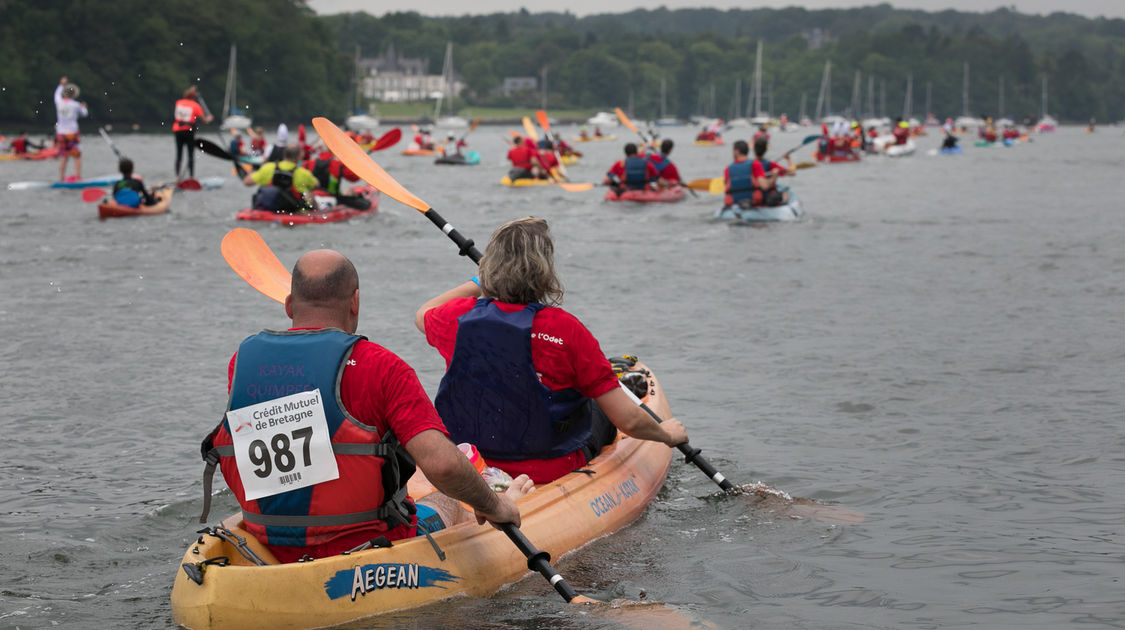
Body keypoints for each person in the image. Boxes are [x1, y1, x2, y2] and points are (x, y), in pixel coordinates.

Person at [199, 250, 526, 563]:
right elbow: (443, 466)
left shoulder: (242, 363)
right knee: (450, 497)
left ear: (288, 305)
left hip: (272, 543)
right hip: (367, 546)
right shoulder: (383, 366)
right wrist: (495, 505)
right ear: (354, 302)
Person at [414, 217, 688, 484]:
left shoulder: (457, 317)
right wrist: (665, 434)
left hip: (471, 463)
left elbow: (423, 313)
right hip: (548, 470)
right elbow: (628, 420)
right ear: (544, 270)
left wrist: (479, 282)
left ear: (490, 267)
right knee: (597, 405)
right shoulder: (567, 329)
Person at [243, 144, 319, 213]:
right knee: (310, 193)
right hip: (294, 211)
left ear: (284, 155)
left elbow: (246, 182)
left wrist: (251, 170)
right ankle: (317, 211)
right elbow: (317, 185)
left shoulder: (268, 167)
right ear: (299, 157)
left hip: (269, 210)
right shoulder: (304, 173)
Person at [724, 138, 791, 209]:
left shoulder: (728, 169)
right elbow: (765, 186)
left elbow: (727, 187)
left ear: (736, 151)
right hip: (754, 204)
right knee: (784, 192)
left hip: (735, 204)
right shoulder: (755, 164)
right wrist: (774, 176)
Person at [302, 149, 369, 209]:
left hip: (312, 196)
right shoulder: (338, 165)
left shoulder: (307, 164)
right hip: (332, 198)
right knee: (350, 190)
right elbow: (355, 178)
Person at [172, 85, 214, 180]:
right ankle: (191, 177)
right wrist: (210, 118)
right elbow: (204, 120)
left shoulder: (178, 103)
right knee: (190, 154)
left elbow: (187, 94)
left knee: (179, 155)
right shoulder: (195, 105)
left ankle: (177, 176)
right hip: (188, 131)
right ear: (194, 97)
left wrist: (191, 91)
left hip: (177, 131)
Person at [54, 77, 88, 182]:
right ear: (74, 95)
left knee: (64, 156)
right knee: (77, 155)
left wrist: (61, 84)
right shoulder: (76, 105)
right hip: (72, 133)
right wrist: (84, 107)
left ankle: (61, 178)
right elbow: (84, 114)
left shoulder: (59, 102)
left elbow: (56, 94)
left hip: (61, 133)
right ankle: (77, 177)